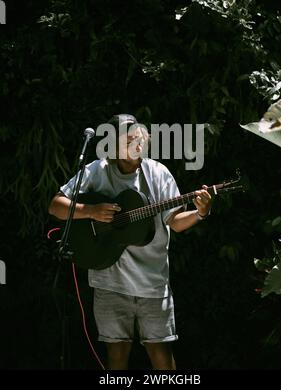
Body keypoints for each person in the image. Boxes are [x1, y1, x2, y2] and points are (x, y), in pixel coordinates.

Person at [48, 114, 211, 370]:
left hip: (152, 284)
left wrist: (201, 212)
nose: (136, 142)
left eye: (139, 136)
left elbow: (176, 221)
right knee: (116, 356)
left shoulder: (158, 173)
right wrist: (90, 211)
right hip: (110, 282)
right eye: (128, 138)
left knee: (162, 356)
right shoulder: (96, 171)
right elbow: (56, 206)